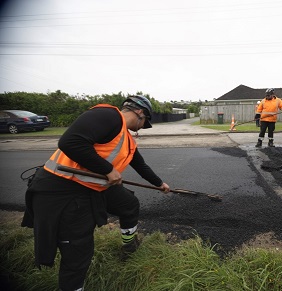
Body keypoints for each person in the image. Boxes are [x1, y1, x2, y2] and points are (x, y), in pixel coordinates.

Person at [21, 95, 170, 291]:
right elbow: (69, 141)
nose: (142, 127)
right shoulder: (109, 116)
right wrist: (107, 170)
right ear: (140, 113)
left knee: (129, 204)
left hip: (89, 187)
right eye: (145, 122)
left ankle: (129, 246)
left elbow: (141, 165)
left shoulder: (127, 140)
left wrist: (160, 183)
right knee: (77, 252)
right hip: (61, 189)